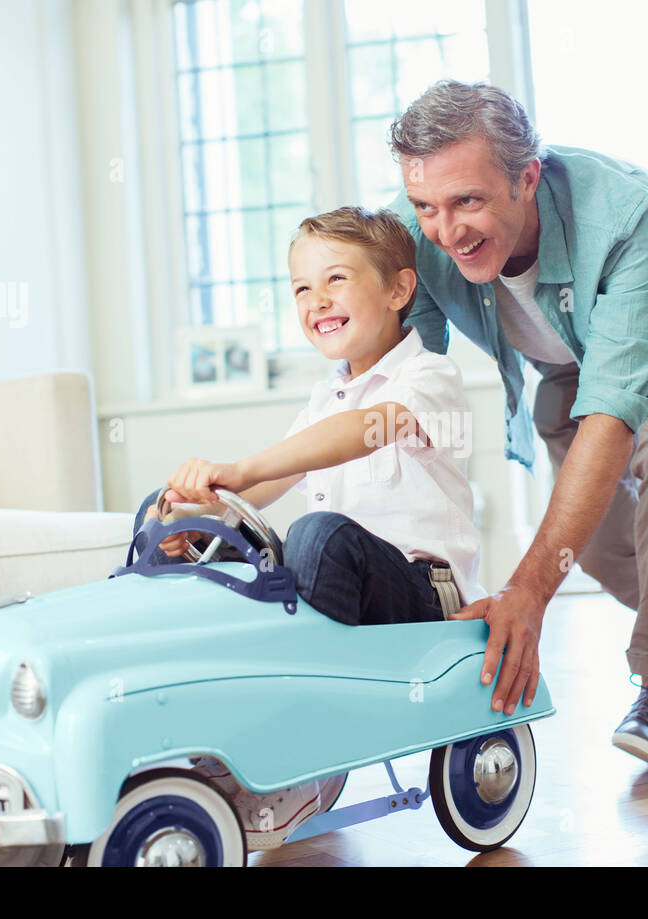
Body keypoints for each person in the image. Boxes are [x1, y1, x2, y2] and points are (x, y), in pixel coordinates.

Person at [385, 80, 648, 773]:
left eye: (468, 203)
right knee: (597, 545)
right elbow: (406, 380)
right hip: (578, 345)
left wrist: (527, 591)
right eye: (426, 206)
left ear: (527, 178)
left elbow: (613, 413)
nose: (446, 231)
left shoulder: (625, 217)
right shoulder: (413, 235)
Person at [129, 206, 485, 848]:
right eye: (301, 288)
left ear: (400, 291)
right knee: (233, 559)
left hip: (421, 601)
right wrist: (190, 511)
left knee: (316, 535)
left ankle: (307, 760)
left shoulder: (429, 377)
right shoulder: (324, 398)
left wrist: (237, 467)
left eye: (336, 280)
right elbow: (261, 491)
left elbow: (359, 434)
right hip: (346, 597)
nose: (316, 300)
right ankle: (221, 733)